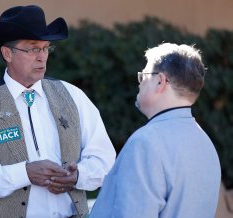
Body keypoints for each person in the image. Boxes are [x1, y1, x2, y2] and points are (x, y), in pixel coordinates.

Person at [0, 5, 115, 218]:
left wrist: (78, 175)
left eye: (46, 48)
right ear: (7, 53)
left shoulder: (72, 95)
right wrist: (23, 173)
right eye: (32, 48)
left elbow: (106, 161)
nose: (42, 57)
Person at [90, 43, 221, 218]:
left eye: (144, 75)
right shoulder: (206, 145)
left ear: (160, 81)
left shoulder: (146, 143)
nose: (139, 83)